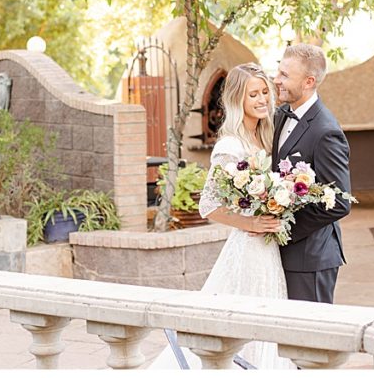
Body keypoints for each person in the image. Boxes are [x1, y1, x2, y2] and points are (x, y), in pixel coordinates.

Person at [149, 63, 294, 370]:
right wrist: (251, 222)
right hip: (249, 248)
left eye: (265, 92)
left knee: (268, 319)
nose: (261, 99)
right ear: (237, 100)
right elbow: (209, 205)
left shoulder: (266, 138)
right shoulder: (230, 145)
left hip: (269, 248)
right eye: (252, 94)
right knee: (246, 321)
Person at [272, 43, 351, 304]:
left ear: (308, 81)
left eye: (285, 75)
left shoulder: (326, 131)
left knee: (311, 340)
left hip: (311, 258)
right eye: (278, 71)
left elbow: (339, 202)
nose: (277, 80)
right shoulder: (282, 114)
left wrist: (283, 230)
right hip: (281, 254)